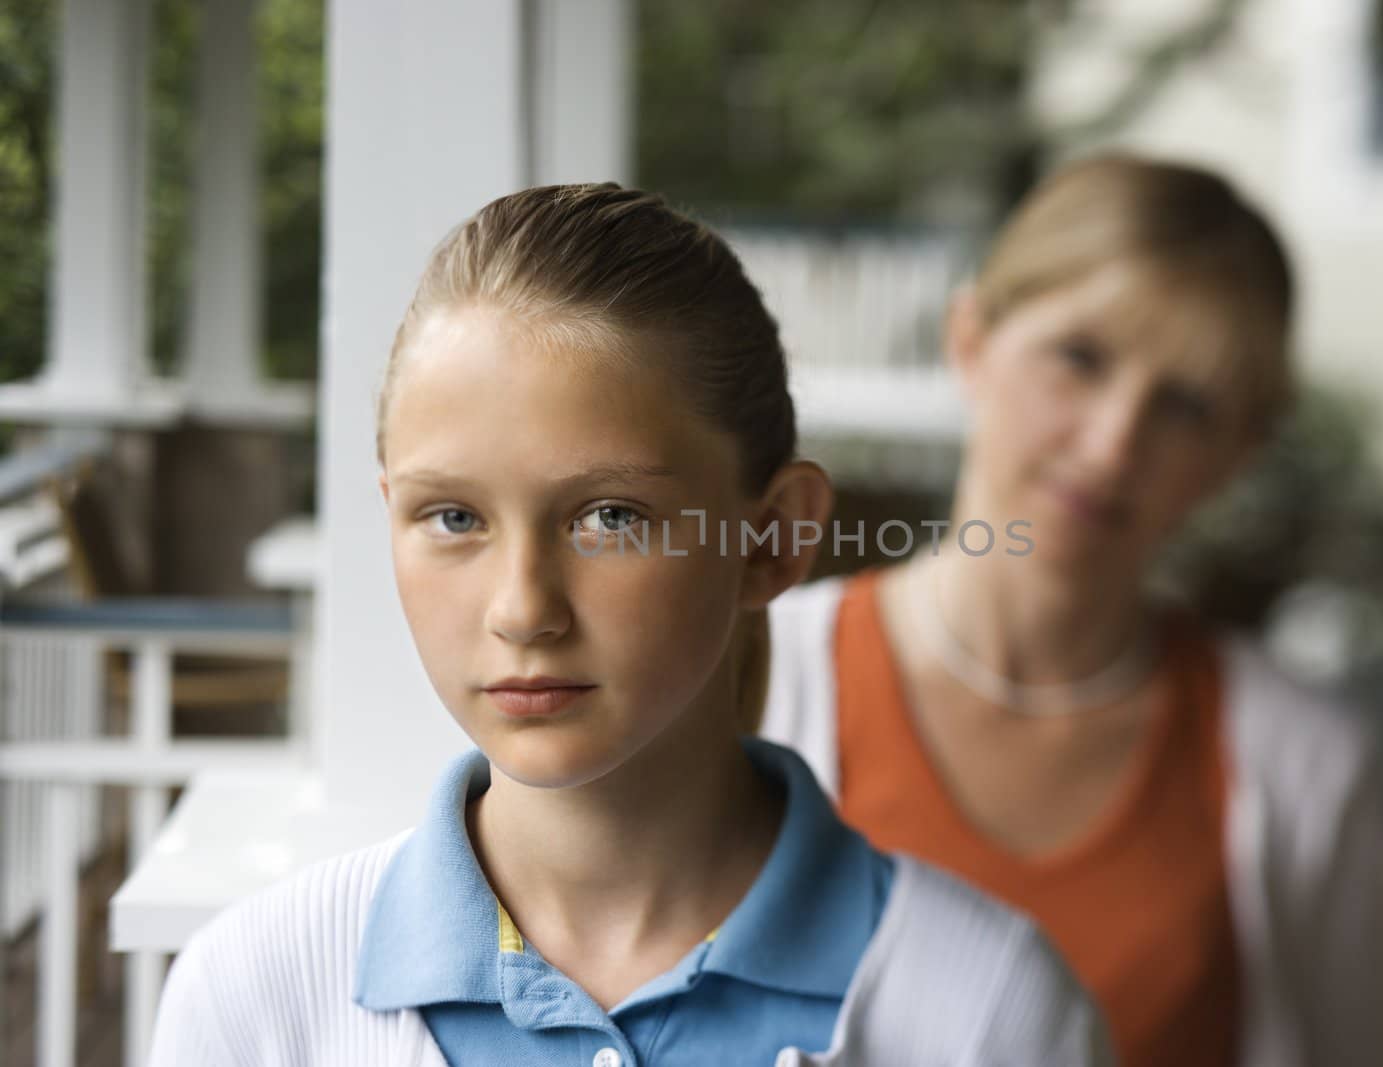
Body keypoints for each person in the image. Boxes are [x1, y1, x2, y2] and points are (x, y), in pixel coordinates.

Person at [145, 184, 1109, 1066]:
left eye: (611, 517)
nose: (522, 609)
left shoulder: (992, 1012)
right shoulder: (254, 998)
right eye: (453, 518)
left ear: (774, 539)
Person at [762, 154, 1383, 1067]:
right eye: (1080, 358)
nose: (1111, 444)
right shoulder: (751, 675)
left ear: (1236, 454)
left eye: (1184, 404)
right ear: (970, 338)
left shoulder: (1303, 765)